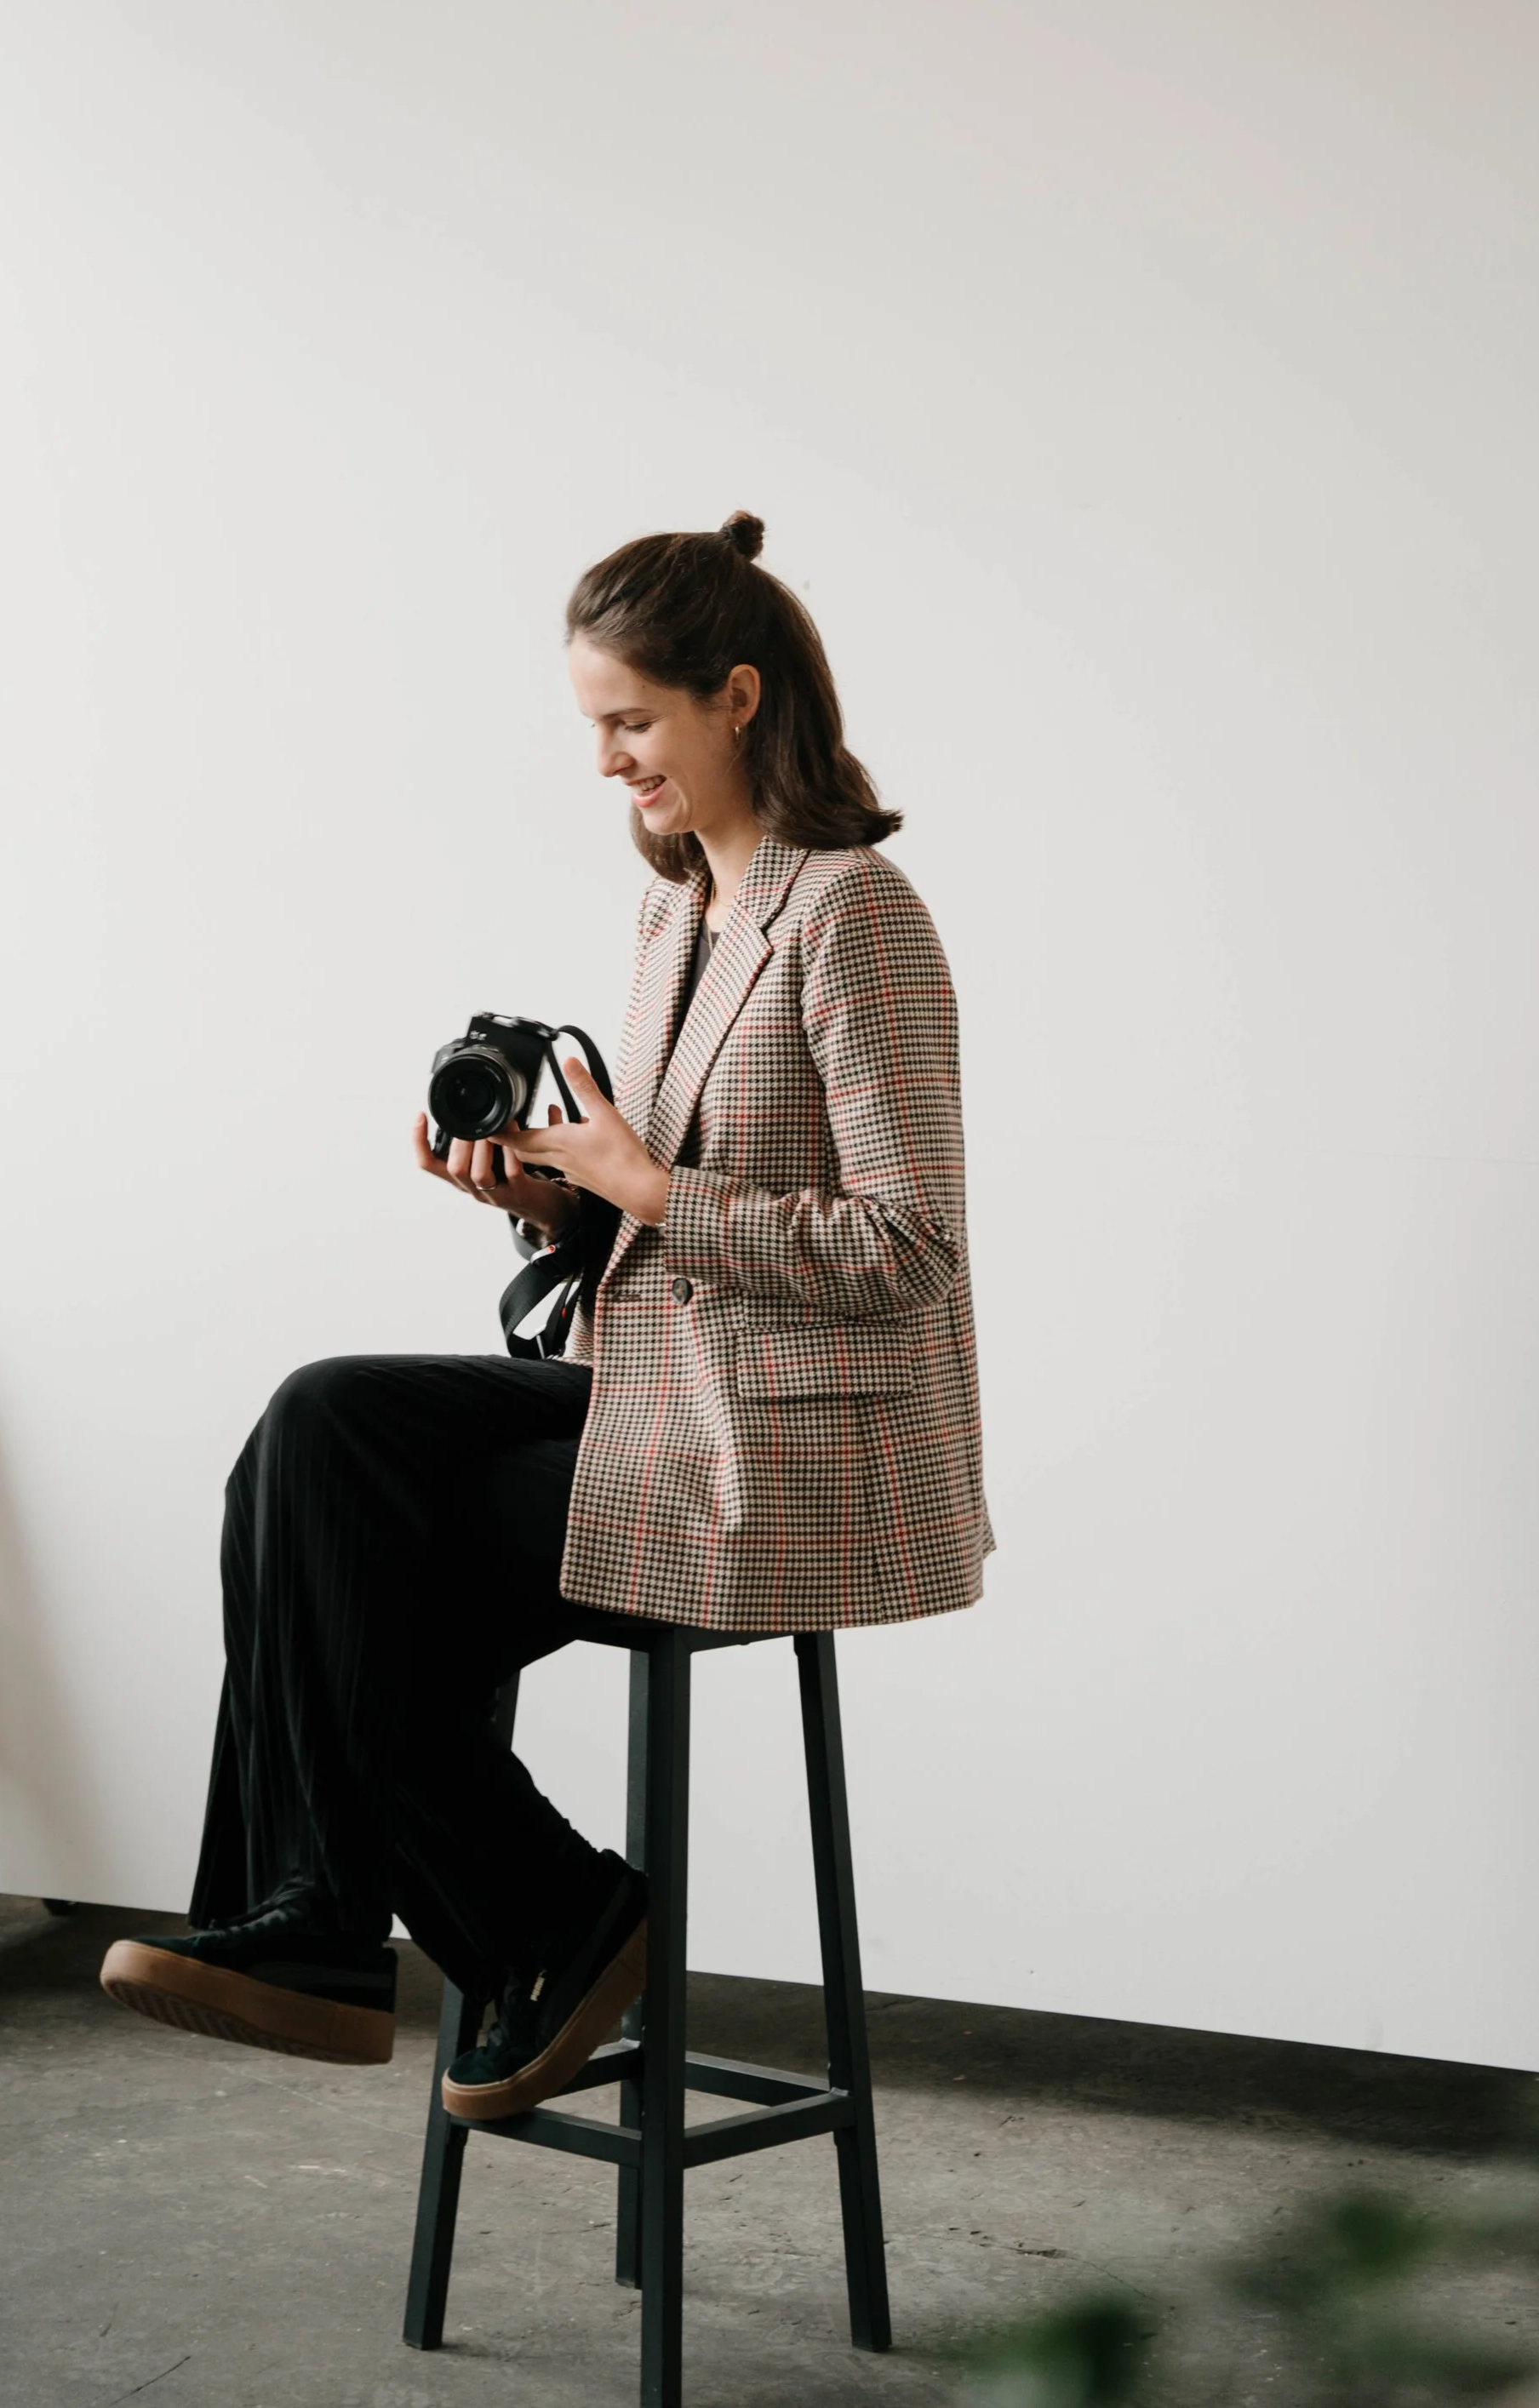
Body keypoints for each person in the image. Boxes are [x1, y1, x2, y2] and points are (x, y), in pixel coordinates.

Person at [100, 512, 991, 2122]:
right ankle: (340, 1921)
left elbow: (909, 1248)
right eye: (594, 725)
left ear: (736, 697)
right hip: (658, 1387)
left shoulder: (854, 911)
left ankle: (519, 1916)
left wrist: (644, 1188)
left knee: (349, 1568)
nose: (605, 762)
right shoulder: (676, 914)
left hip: (794, 1449)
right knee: (318, 1426)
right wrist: (553, 1205)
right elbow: (650, 1207)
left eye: (630, 722)